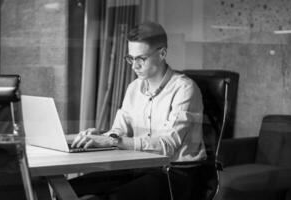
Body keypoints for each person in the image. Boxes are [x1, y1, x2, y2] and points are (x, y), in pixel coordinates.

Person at [70, 21, 206, 200]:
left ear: (162, 53)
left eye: (140, 58)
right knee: (70, 188)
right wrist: (102, 136)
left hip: (177, 173)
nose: (134, 66)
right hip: (139, 166)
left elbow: (168, 146)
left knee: (111, 198)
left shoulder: (185, 89)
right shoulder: (134, 87)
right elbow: (119, 131)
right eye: (130, 58)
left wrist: (113, 141)